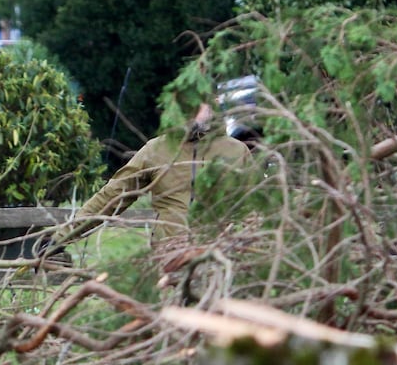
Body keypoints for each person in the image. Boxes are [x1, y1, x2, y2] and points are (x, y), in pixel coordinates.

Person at [45, 102, 251, 258]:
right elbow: (113, 196)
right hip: (169, 257)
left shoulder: (236, 151)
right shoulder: (156, 150)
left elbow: (259, 205)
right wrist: (61, 238)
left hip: (221, 255)